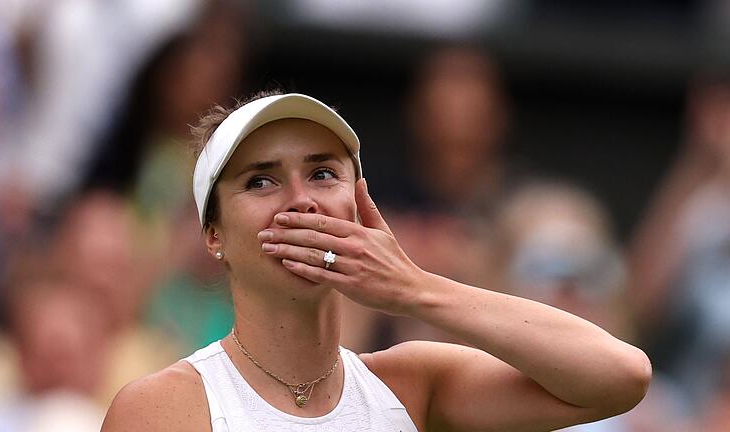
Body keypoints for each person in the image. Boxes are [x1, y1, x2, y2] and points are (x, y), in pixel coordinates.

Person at [101, 91, 651, 431]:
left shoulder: (414, 384)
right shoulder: (164, 408)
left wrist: (413, 287)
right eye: (261, 180)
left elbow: (620, 376)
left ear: (360, 207)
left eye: (322, 173)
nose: (302, 200)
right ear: (213, 235)